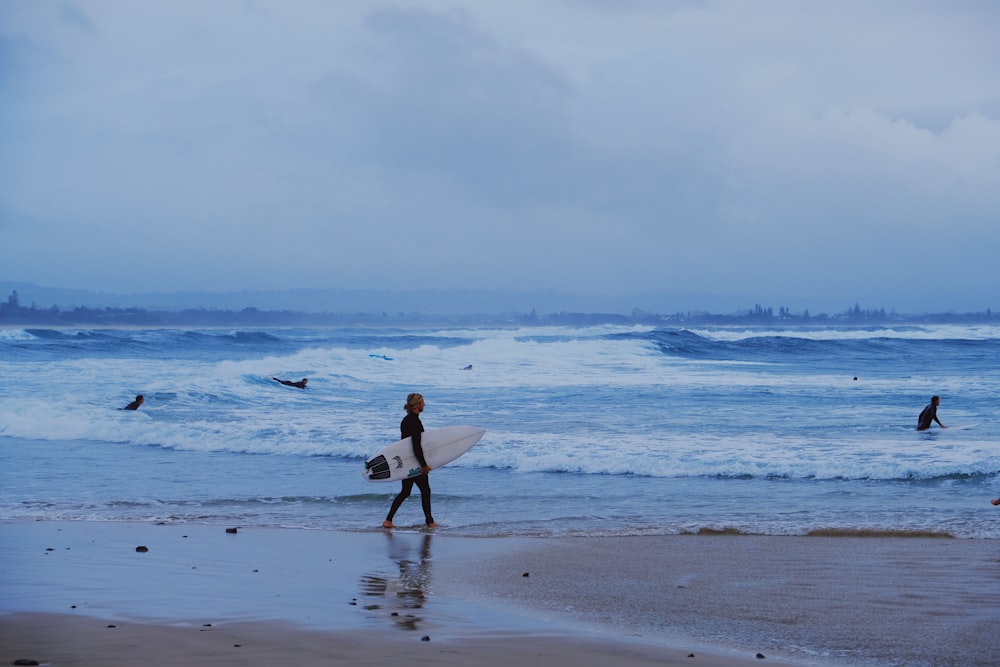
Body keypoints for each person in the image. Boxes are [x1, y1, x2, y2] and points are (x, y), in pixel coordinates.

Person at [383, 393, 437, 529]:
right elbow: (416, 445)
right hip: (414, 462)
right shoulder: (415, 422)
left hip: (407, 461)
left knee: (406, 492)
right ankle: (430, 522)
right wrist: (423, 465)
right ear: (417, 405)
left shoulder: (407, 420)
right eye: (423, 402)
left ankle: (388, 521)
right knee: (425, 490)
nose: (424, 404)